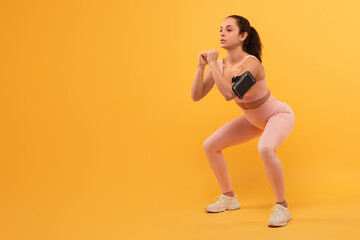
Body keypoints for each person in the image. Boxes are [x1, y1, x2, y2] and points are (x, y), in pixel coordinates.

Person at [191, 15, 295, 227]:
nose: (222, 33)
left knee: (265, 148)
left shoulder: (252, 65)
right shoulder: (218, 65)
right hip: (252, 119)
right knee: (210, 145)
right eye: (220, 29)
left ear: (243, 36)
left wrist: (212, 62)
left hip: (277, 115)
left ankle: (282, 207)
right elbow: (196, 95)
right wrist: (201, 67)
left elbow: (231, 94)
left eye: (228, 29)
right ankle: (229, 197)